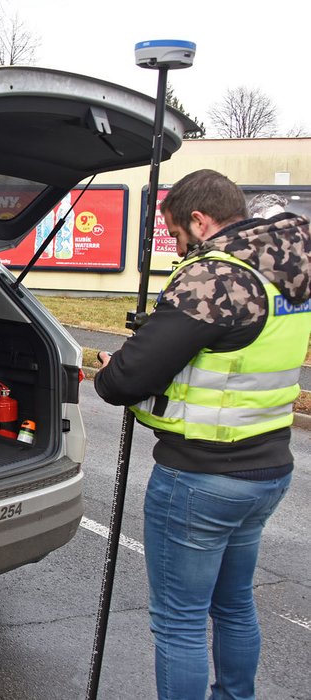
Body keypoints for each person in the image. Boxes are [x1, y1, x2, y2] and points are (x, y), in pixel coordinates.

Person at [94, 169, 311, 699]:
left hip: (200, 479)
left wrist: (116, 363)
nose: (177, 247)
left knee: (180, 622)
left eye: (176, 233)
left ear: (200, 218)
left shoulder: (214, 278)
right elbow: (230, 350)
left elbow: (124, 380)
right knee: (234, 603)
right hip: (268, 468)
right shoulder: (287, 271)